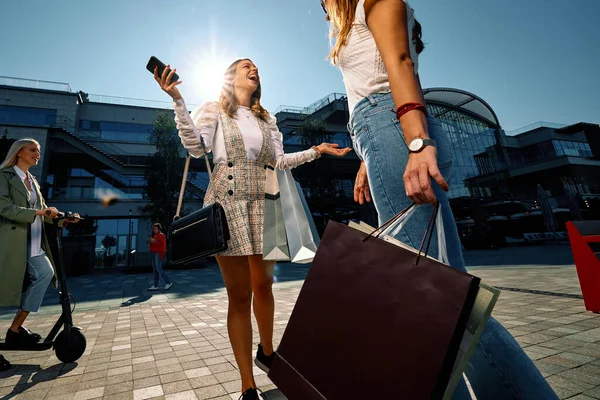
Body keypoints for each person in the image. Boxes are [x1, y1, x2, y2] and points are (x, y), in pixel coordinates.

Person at [321, 0, 559, 399]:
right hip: (383, 132)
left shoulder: (375, 2)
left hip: (392, 125)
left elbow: (399, 64)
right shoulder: (357, 15)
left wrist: (416, 142)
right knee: (441, 295)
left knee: (441, 297)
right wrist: (368, 157)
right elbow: (375, 76)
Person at [154, 59, 351, 399]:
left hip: (265, 202)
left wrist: (316, 151)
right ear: (230, 76)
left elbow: (279, 162)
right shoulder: (214, 109)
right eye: (246, 65)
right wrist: (177, 100)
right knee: (240, 296)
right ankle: (248, 384)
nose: (254, 68)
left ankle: (267, 350)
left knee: (264, 287)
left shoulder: (266, 118)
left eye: (257, 66)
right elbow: (195, 146)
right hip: (227, 203)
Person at [0, 138, 80, 348]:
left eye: (39, 150)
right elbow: (5, 208)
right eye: (32, 150)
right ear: (18, 152)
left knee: (45, 273)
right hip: (10, 242)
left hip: (34, 242)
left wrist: (63, 219)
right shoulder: (4, 176)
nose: (37, 153)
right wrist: (38, 212)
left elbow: (44, 211)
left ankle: (15, 330)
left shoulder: (32, 179)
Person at [147, 222, 172, 291]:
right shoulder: (155, 236)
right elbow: (153, 245)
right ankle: (155, 285)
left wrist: (154, 241)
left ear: (158, 229)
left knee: (159, 269)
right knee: (155, 271)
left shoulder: (161, 235)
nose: (154, 230)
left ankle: (168, 282)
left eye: (155, 229)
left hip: (158, 254)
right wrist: (150, 241)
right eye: (153, 229)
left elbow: (162, 245)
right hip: (153, 253)